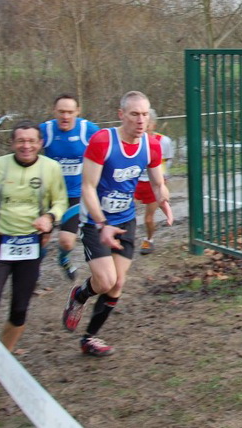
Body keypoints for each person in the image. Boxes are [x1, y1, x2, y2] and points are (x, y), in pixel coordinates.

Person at [62, 91, 170, 356]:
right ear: (121, 115)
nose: (140, 120)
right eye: (134, 114)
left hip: (125, 221)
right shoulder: (103, 141)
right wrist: (101, 223)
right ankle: (80, 295)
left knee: (118, 284)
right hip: (95, 222)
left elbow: (157, 181)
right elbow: (87, 187)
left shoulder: (151, 145)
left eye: (145, 114)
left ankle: (90, 338)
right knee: (106, 281)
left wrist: (164, 200)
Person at [0, 120, 68, 352]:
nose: (26, 146)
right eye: (21, 141)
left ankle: (4, 355)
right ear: (12, 143)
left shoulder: (50, 167)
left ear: (40, 143)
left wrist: (50, 218)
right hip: (0, 242)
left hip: (31, 243)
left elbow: (61, 200)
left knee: (20, 307)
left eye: (32, 141)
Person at [40, 93, 101, 280]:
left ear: (77, 112)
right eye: (61, 112)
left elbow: (105, 151)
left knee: (67, 242)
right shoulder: (45, 131)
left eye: (69, 112)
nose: (65, 117)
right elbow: (27, 152)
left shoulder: (88, 130)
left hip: (75, 194)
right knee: (41, 239)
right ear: (54, 111)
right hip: (49, 195)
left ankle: (64, 258)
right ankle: (32, 270)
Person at [134, 108, 174, 255]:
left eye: (148, 122)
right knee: (123, 211)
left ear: (154, 125)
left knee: (148, 218)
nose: (144, 124)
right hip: (135, 182)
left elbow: (168, 160)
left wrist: (163, 178)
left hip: (153, 184)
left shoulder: (164, 142)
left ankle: (149, 240)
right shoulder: (133, 139)